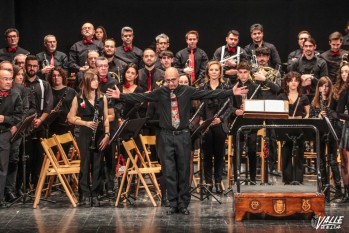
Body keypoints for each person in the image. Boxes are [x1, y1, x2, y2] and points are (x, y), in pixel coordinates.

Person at [106, 67, 247, 215]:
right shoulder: (160, 92)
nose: (171, 83)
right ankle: (172, 204)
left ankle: (183, 204)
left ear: (178, 78)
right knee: (170, 171)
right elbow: (141, 97)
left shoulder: (187, 90)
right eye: (168, 80)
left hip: (183, 135)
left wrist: (231, 92)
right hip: (166, 135)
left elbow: (209, 93)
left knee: (184, 170)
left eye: (173, 80)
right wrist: (121, 95)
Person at [67, 69, 110, 207]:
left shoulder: (102, 97)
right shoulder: (78, 98)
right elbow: (70, 117)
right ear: (86, 81)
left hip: (99, 133)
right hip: (85, 132)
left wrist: (107, 135)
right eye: (93, 79)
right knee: (85, 163)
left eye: (97, 79)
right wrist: (85, 123)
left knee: (98, 163)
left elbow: (106, 118)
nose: (96, 82)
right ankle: (85, 193)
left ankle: (95, 193)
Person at [198, 61, 234, 193]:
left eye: (216, 70)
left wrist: (221, 118)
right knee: (207, 154)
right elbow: (200, 106)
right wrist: (201, 121)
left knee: (219, 154)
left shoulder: (226, 86)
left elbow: (230, 107)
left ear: (220, 72)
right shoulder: (203, 86)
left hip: (220, 123)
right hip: (207, 125)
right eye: (211, 70)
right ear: (208, 72)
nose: (214, 72)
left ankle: (218, 181)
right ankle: (208, 182)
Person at [309, 76, 342, 199]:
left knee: (333, 161)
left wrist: (328, 113)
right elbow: (311, 119)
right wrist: (318, 117)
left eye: (327, 86)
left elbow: (337, 116)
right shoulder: (314, 102)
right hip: (320, 134)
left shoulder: (334, 100)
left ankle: (338, 189)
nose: (325, 88)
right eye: (322, 86)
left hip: (331, 133)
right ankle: (324, 186)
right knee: (321, 160)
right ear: (318, 88)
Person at [23, 55, 53, 188]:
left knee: (39, 156)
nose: (32, 68)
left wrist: (40, 120)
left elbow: (48, 105)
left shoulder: (44, 84)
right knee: (25, 156)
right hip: (24, 126)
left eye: (34, 66)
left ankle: (38, 186)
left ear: (38, 67)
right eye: (29, 65)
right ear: (25, 66)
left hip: (40, 125)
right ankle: (23, 185)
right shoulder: (21, 83)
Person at [253, 46, 281, 178]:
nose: (262, 59)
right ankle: (257, 164)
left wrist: (265, 80)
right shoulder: (252, 72)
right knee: (255, 137)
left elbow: (278, 89)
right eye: (259, 56)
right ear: (256, 58)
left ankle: (272, 166)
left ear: (268, 57)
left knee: (272, 137)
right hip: (256, 107)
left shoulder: (275, 72)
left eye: (264, 56)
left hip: (271, 108)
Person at [231, 61, 261, 185]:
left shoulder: (255, 87)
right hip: (237, 122)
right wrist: (235, 111)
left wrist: (249, 107)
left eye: (245, 72)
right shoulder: (233, 87)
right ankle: (237, 176)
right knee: (237, 150)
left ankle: (253, 178)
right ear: (237, 74)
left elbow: (260, 104)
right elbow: (228, 105)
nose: (243, 75)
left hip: (251, 122)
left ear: (249, 74)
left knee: (252, 150)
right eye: (240, 72)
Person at [277, 71, 310, 184]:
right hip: (286, 126)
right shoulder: (282, 96)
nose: (293, 83)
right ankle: (287, 179)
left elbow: (308, 113)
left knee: (299, 152)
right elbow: (278, 113)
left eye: (296, 80)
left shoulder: (303, 97)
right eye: (291, 81)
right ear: (286, 83)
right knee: (286, 152)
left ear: (299, 83)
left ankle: (298, 179)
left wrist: (304, 121)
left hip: (299, 126)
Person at [0, 70, 23, 208]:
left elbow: (19, 117)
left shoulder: (15, 95)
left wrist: (5, 119)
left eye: (10, 79)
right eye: (5, 79)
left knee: (2, 167)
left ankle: (0, 198)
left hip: (3, 134)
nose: (9, 82)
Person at [289, 38, 328, 102]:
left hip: (317, 96)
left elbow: (325, 83)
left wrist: (312, 78)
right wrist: (300, 81)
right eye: (306, 46)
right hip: (299, 96)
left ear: (315, 47)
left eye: (310, 46)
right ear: (303, 47)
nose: (308, 48)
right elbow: (289, 82)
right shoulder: (295, 63)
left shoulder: (322, 62)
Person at [46, 67, 77, 136]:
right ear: (50, 78)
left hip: (67, 126)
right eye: (54, 76)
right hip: (51, 127)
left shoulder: (71, 91)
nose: (56, 77)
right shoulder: (47, 91)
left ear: (63, 77)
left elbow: (78, 108)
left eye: (59, 75)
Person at [336, 63, 349, 202]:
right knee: (346, 163)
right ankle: (347, 193)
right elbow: (338, 113)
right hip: (348, 129)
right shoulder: (345, 91)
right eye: (343, 72)